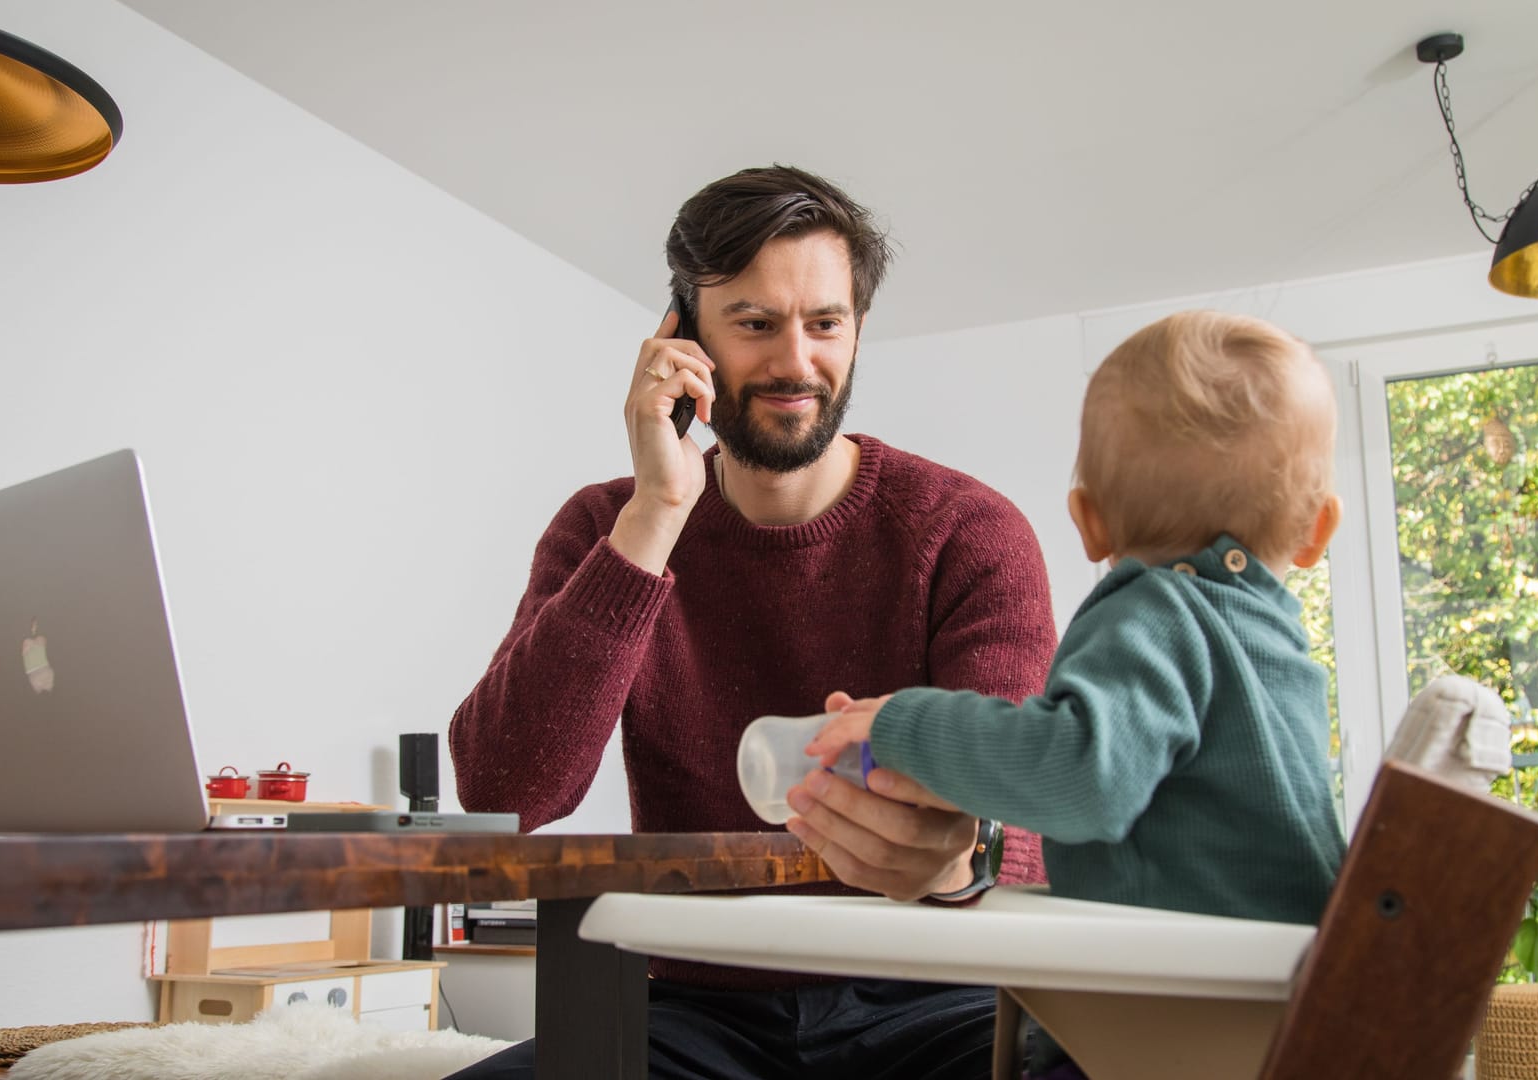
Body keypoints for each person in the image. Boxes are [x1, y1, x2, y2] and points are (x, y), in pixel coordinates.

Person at [445, 165, 1058, 1079]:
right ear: (686, 341)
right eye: (755, 324)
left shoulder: (969, 533)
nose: (796, 363)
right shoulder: (606, 528)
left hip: (934, 995)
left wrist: (953, 861)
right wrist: (655, 512)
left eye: (825, 323)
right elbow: (504, 787)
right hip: (691, 1010)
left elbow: (1026, 823)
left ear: (857, 330)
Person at [810, 308, 1348, 923]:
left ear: (1088, 523)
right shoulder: (1276, 645)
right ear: (1316, 532)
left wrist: (907, 724)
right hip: (1293, 978)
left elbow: (1081, 776)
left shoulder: (1159, 614)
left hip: (1188, 998)